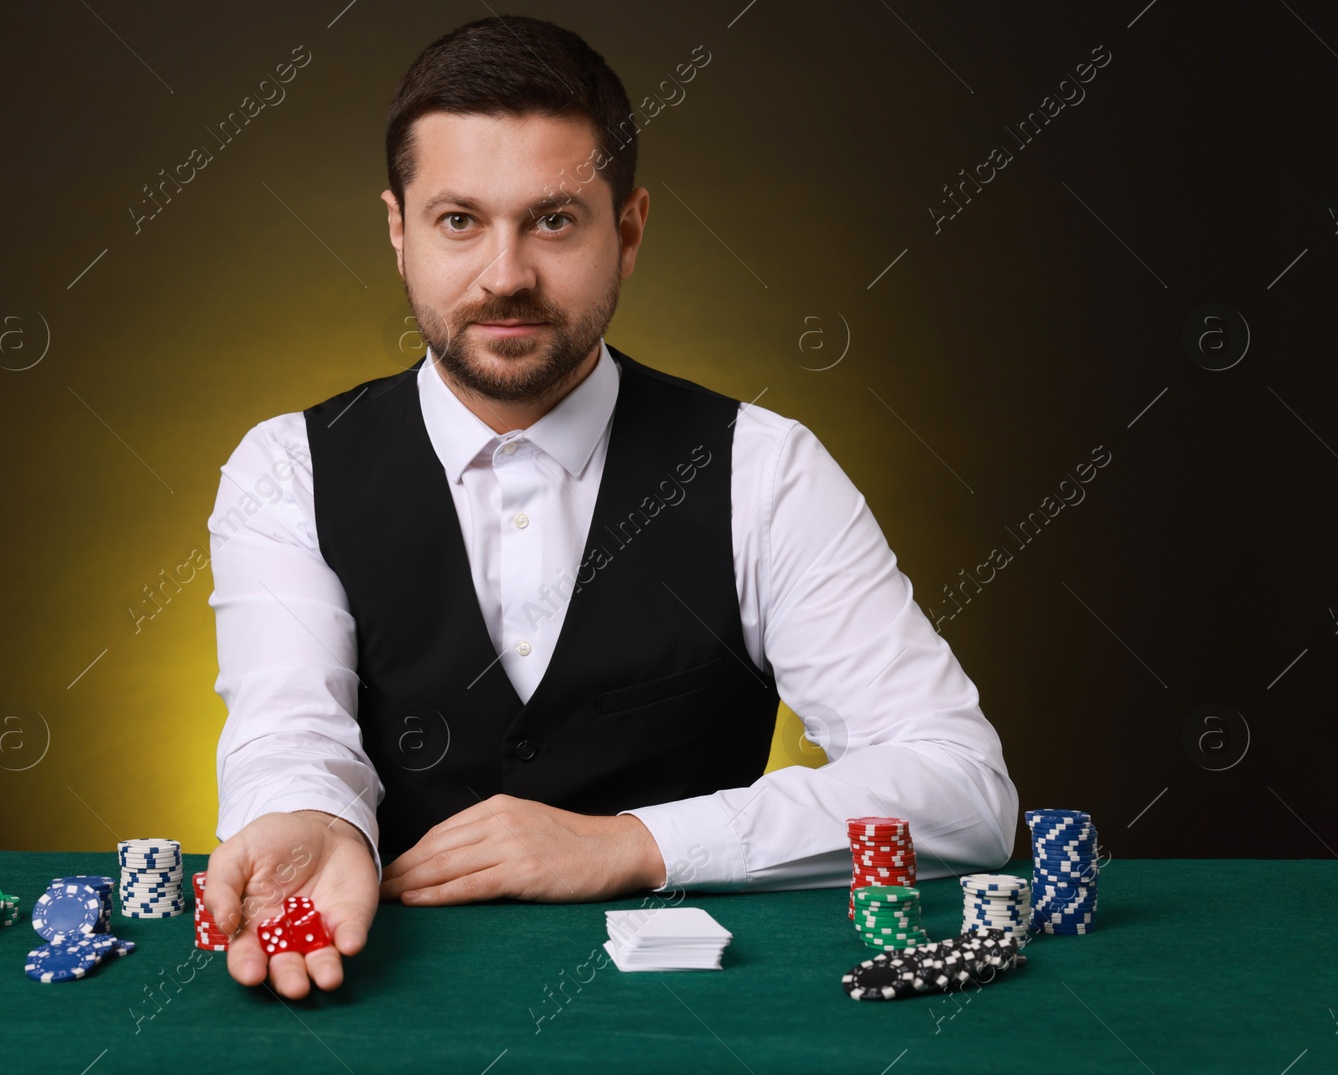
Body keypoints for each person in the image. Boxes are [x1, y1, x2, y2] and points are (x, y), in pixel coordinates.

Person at [202, 14, 1018, 999]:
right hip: (382, 1008)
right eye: (459, 220)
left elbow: (961, 789)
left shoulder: (764, 468)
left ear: (626, 232)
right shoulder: (286, 469)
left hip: (696, 1014)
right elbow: (292, 725)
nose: (505, 275)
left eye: (552, 219)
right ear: (398, 230)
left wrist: (639, 843)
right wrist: (308, 814)